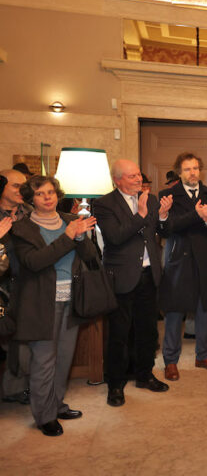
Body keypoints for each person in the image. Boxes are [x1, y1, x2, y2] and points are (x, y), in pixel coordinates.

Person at [10, 175, 98, 436]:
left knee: (64, 358)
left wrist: (80, 238)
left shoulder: (71, 220)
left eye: (50, 192)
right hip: (41, 302)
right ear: (31, 198)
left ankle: (57, 405)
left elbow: (91, 256)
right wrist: (69, 237)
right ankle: (44, 415)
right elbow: (35, 262)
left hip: (72, 298)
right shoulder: (22, 228)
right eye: (40, 194)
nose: (47, 197)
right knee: (44, 361)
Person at [92, 160, 169, 407]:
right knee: (119, 334)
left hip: (149, 275)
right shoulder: (104, 204)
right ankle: (115, 384)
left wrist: (163, 217)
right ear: (117, 180)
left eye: (138, 175)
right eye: (132, 176)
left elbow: (162, 232)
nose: (139, 179)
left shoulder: (151, 199)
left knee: (148, 331)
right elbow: (115, 237)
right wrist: (141, 214)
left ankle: (145, 375)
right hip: (121, 277)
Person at [158, 152, 207, 380]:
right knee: (174, 313)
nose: (192, 173)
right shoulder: (167, 195)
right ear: (180, 172)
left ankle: (203, 356)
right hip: (179, 261)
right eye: (187, 169)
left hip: (205, 261)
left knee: (204, 310)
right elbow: (167, 228)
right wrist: (196, 215)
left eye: (196, 168)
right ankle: (170, 361)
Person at [0, 169, 32, 406]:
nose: (22, 190)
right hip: (2, 286)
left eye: (24, 185)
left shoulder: (30, 213)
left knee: (22, 339)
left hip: (26, 283)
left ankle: (17, 388)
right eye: (15, 185)